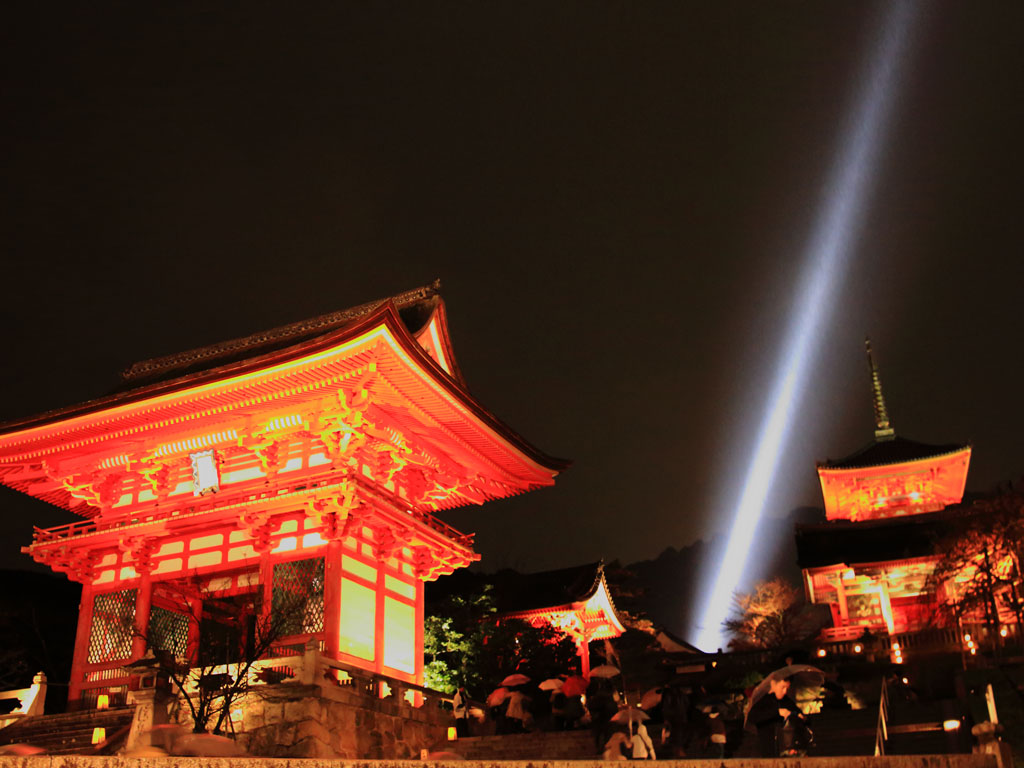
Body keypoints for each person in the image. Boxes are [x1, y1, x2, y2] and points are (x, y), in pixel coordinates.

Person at [747, 677, 800, 757]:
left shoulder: (786, 701)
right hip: (766, 746)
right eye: (782, 687)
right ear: (773, 684)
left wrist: (798, 715)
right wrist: (777, 712)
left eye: (787, 688)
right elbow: (752, 717)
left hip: (785, 746)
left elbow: (797, 712)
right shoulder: (762, 699)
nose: (785, 691)